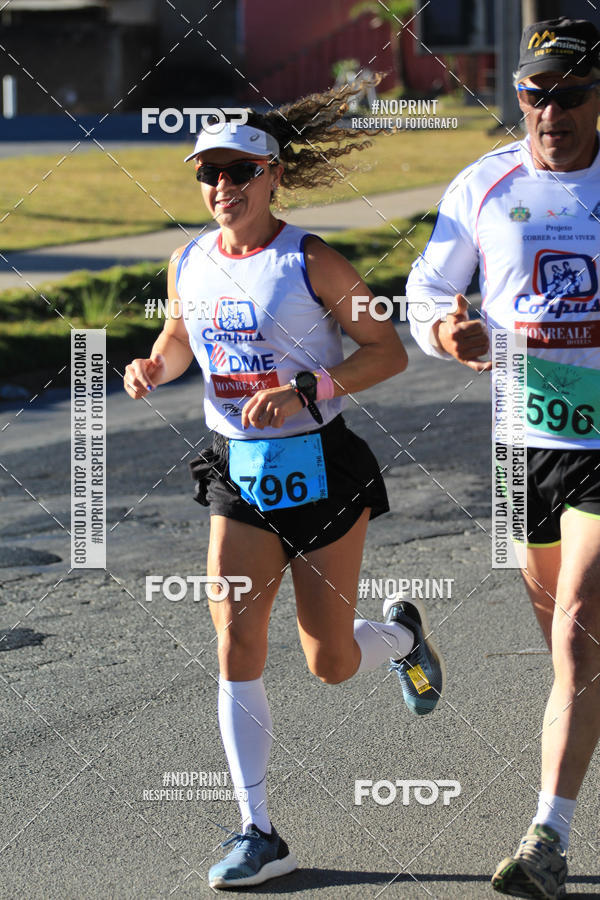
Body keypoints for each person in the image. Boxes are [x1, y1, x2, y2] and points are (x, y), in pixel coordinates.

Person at [124, 83, 444, 890]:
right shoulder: (189, 259)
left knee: (330, 663)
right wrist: (153, 366)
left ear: (272, 176)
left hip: (321, 470)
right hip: (236, 471)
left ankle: (402, 638)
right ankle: (258, 829)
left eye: (238, 173)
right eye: (209, 175)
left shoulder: (311, 260)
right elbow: (177, 336)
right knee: (235, 638)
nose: (221, 189)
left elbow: (388, 350)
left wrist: (308, 390)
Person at [406, 16, 600, 900]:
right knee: (567, 651)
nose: (548, 110)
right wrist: (448, 328)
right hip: (527, 440)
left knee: (577, 636)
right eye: (534, 93)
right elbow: (426, 288)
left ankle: (546, 841)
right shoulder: (485, 182)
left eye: (569, 94)